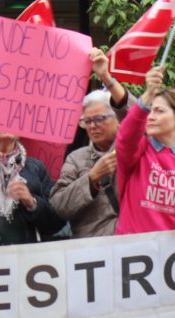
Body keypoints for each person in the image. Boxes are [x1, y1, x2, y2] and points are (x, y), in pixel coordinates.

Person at [115, 66, 175, 236]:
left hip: (174, 255)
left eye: (159, 111)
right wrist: (147, 95)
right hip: (131, 254)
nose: (151, 116)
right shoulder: (138, 151)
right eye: (150, 110)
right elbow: (126, 135)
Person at [50, 49, 132, 239]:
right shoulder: (77, 159)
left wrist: (105, 77)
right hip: (93, 252)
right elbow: (58, 206)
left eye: (100, 119)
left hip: (134, 243)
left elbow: (138, 117)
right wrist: (91, 178)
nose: (93, 126)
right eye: (87, 121)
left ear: (118, 119)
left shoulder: (135, 148)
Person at [0, 130, 65, 245]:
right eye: (1, 118)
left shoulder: (36, 168)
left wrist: (32, 203)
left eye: (12, 120)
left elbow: (56, 222)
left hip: (21, 256)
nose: (6, 126)